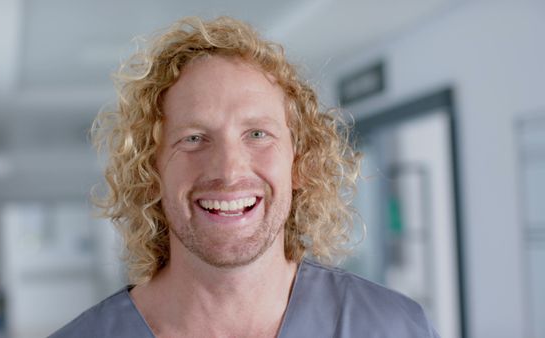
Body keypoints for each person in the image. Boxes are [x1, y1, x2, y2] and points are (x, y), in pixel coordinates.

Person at [49, 16, 439, 338]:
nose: (228, 170)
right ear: (150, 173)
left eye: (257, 134)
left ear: (300, 163)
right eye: (194, 138)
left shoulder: (393, 327)